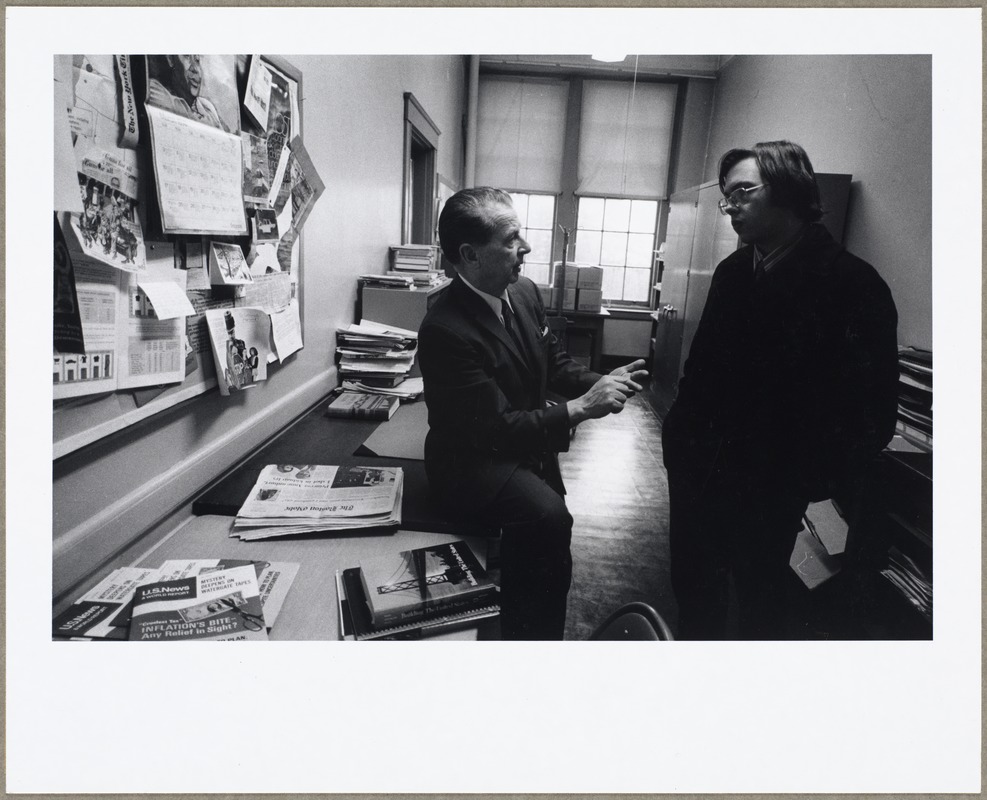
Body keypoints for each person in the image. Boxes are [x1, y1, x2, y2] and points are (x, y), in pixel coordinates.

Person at [661, 140, 899, 640]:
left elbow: (873, 416)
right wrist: (679, 445)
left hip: (778, 497)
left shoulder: (853, 284)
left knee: (762, 615)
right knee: (695, 601)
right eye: (726, 196)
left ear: (789, 188)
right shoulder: (732, 272)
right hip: (702, 478)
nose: (730, 207)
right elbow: (699, 373)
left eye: (743, 191)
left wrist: (804, 483)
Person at [418, 187, 648, 640]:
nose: (525, 247)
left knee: (549, 551)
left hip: (524, 441)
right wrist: (582, 408)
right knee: (549, 519)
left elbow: (553, 362)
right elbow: (497, 429)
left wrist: (602, 380)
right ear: (469, 255)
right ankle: (526, 638)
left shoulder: (520, 291)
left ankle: (540, 632)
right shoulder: (445, 328)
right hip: (473, 460)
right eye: (510, 239)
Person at [146, 55, 230, 132]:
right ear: (170, 59)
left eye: (197, 61)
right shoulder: (155, 90)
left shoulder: (206, 107)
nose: (195, 69)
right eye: (187, 56)